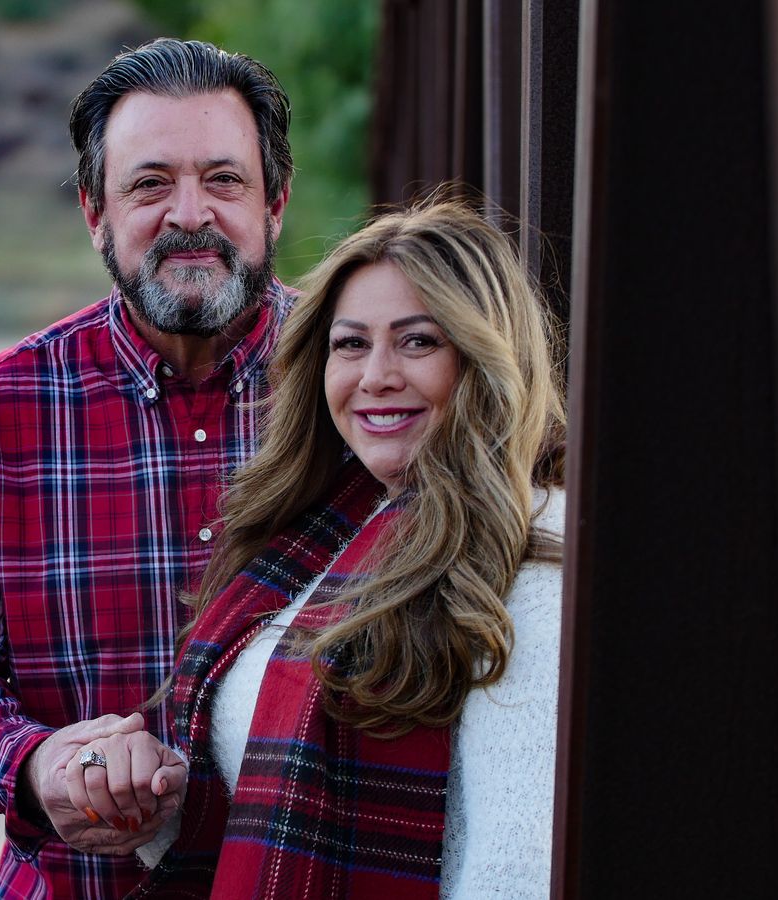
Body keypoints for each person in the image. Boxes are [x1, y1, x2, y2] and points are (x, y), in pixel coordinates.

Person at [0, 39, 294, 897]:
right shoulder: (2, 411)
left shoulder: (359, 389)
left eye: (224, 180)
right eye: (150, 184)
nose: (189, 214)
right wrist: (39, 764)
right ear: (94, 213)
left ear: (276, 204)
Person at [66, 201, 567, 898]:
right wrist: (153, 798)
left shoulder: (535, 563)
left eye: (419, 342)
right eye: (351, 344)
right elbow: (273, 807)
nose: (376, 376)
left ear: (487, 357)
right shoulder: (330, 531)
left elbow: (516, 871)